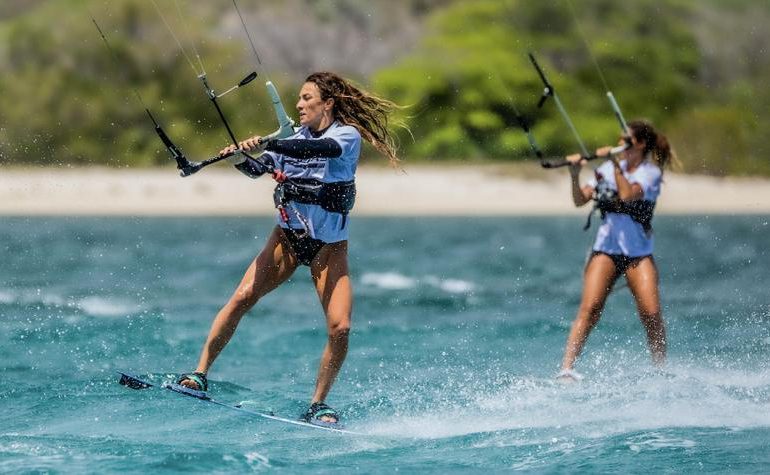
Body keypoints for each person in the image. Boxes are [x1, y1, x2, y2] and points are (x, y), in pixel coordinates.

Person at [177, 71, 401, 424]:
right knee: (242, 297)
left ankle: (318, 404)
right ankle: (198, 375)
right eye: (298, 99)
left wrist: (273, 143)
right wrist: (241, 155)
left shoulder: (345, 136)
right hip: (287, 240)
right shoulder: (290, 139)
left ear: (328, 103)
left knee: (340, 327)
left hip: (328, 249)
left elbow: (316, 149)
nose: (299, 105)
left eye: (307, 98)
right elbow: (257, 169)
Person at [557, 119, 678, 381]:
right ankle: (566, 369)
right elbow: (580, 200)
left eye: (625, 142)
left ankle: (660, 369)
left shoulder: (650, 173)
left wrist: (613, 165)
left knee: (651, 312)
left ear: (641, 144)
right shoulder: (607, 169)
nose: (619, 146)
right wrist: (576, 173)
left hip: (638, 253)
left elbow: (626, 195)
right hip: (606, 249)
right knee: (590, 309)